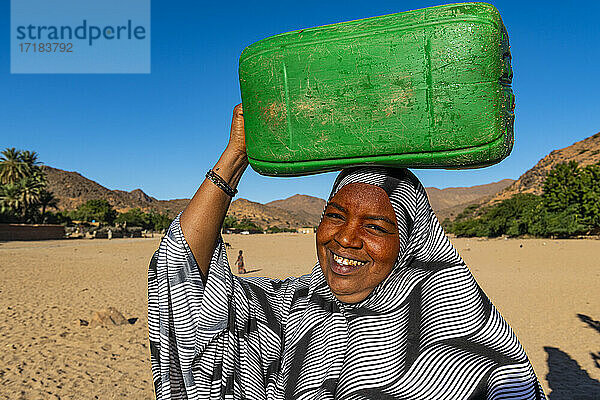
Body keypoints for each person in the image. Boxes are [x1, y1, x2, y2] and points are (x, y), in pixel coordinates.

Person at [148, 104, 546, 399]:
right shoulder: (292, 306)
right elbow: (180, 270)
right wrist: (233, 158)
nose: (345, 238)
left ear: (410, 241)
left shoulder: (463, 339)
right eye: (335, 215)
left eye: (375, 226)